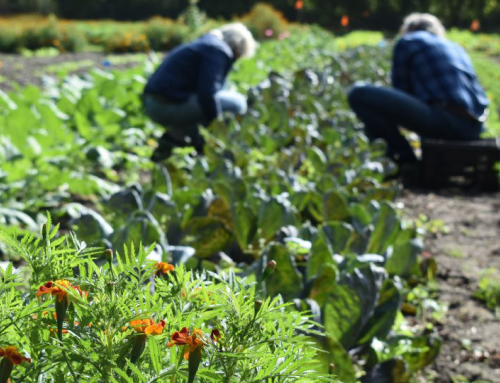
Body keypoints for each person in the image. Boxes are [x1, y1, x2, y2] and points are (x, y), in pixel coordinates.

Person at [347, 13, 489, 166]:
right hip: (475, 127)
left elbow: (401, 91)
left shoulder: (409, 40)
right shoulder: (456, 47)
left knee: (359, 93)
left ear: (413, 27)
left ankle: (403, 157)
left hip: (446, 121)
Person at [143, 23, 257, 161]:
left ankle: (171, 142)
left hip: (155, 103)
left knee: (217, 102)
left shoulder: (207, 44)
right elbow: (207, 94)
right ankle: (208, 147)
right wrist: (217, 126)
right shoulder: (219, 50)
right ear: (236, 48)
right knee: (237, 103)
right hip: (165, 106)